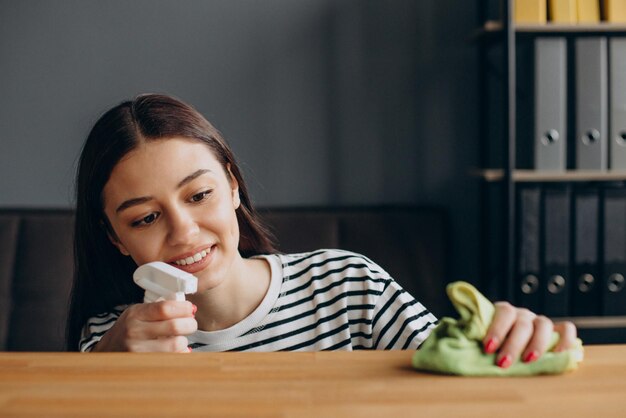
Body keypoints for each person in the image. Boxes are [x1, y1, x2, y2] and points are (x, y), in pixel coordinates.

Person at [67, 94, 577, 367]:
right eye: (145, 219)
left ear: (233, 186)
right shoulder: (113, 340)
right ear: (115, 237)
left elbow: (455, 370)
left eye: (199, 196)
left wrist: (502, 338)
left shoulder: (347, 285)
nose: (184, 231)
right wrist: (104, 375)